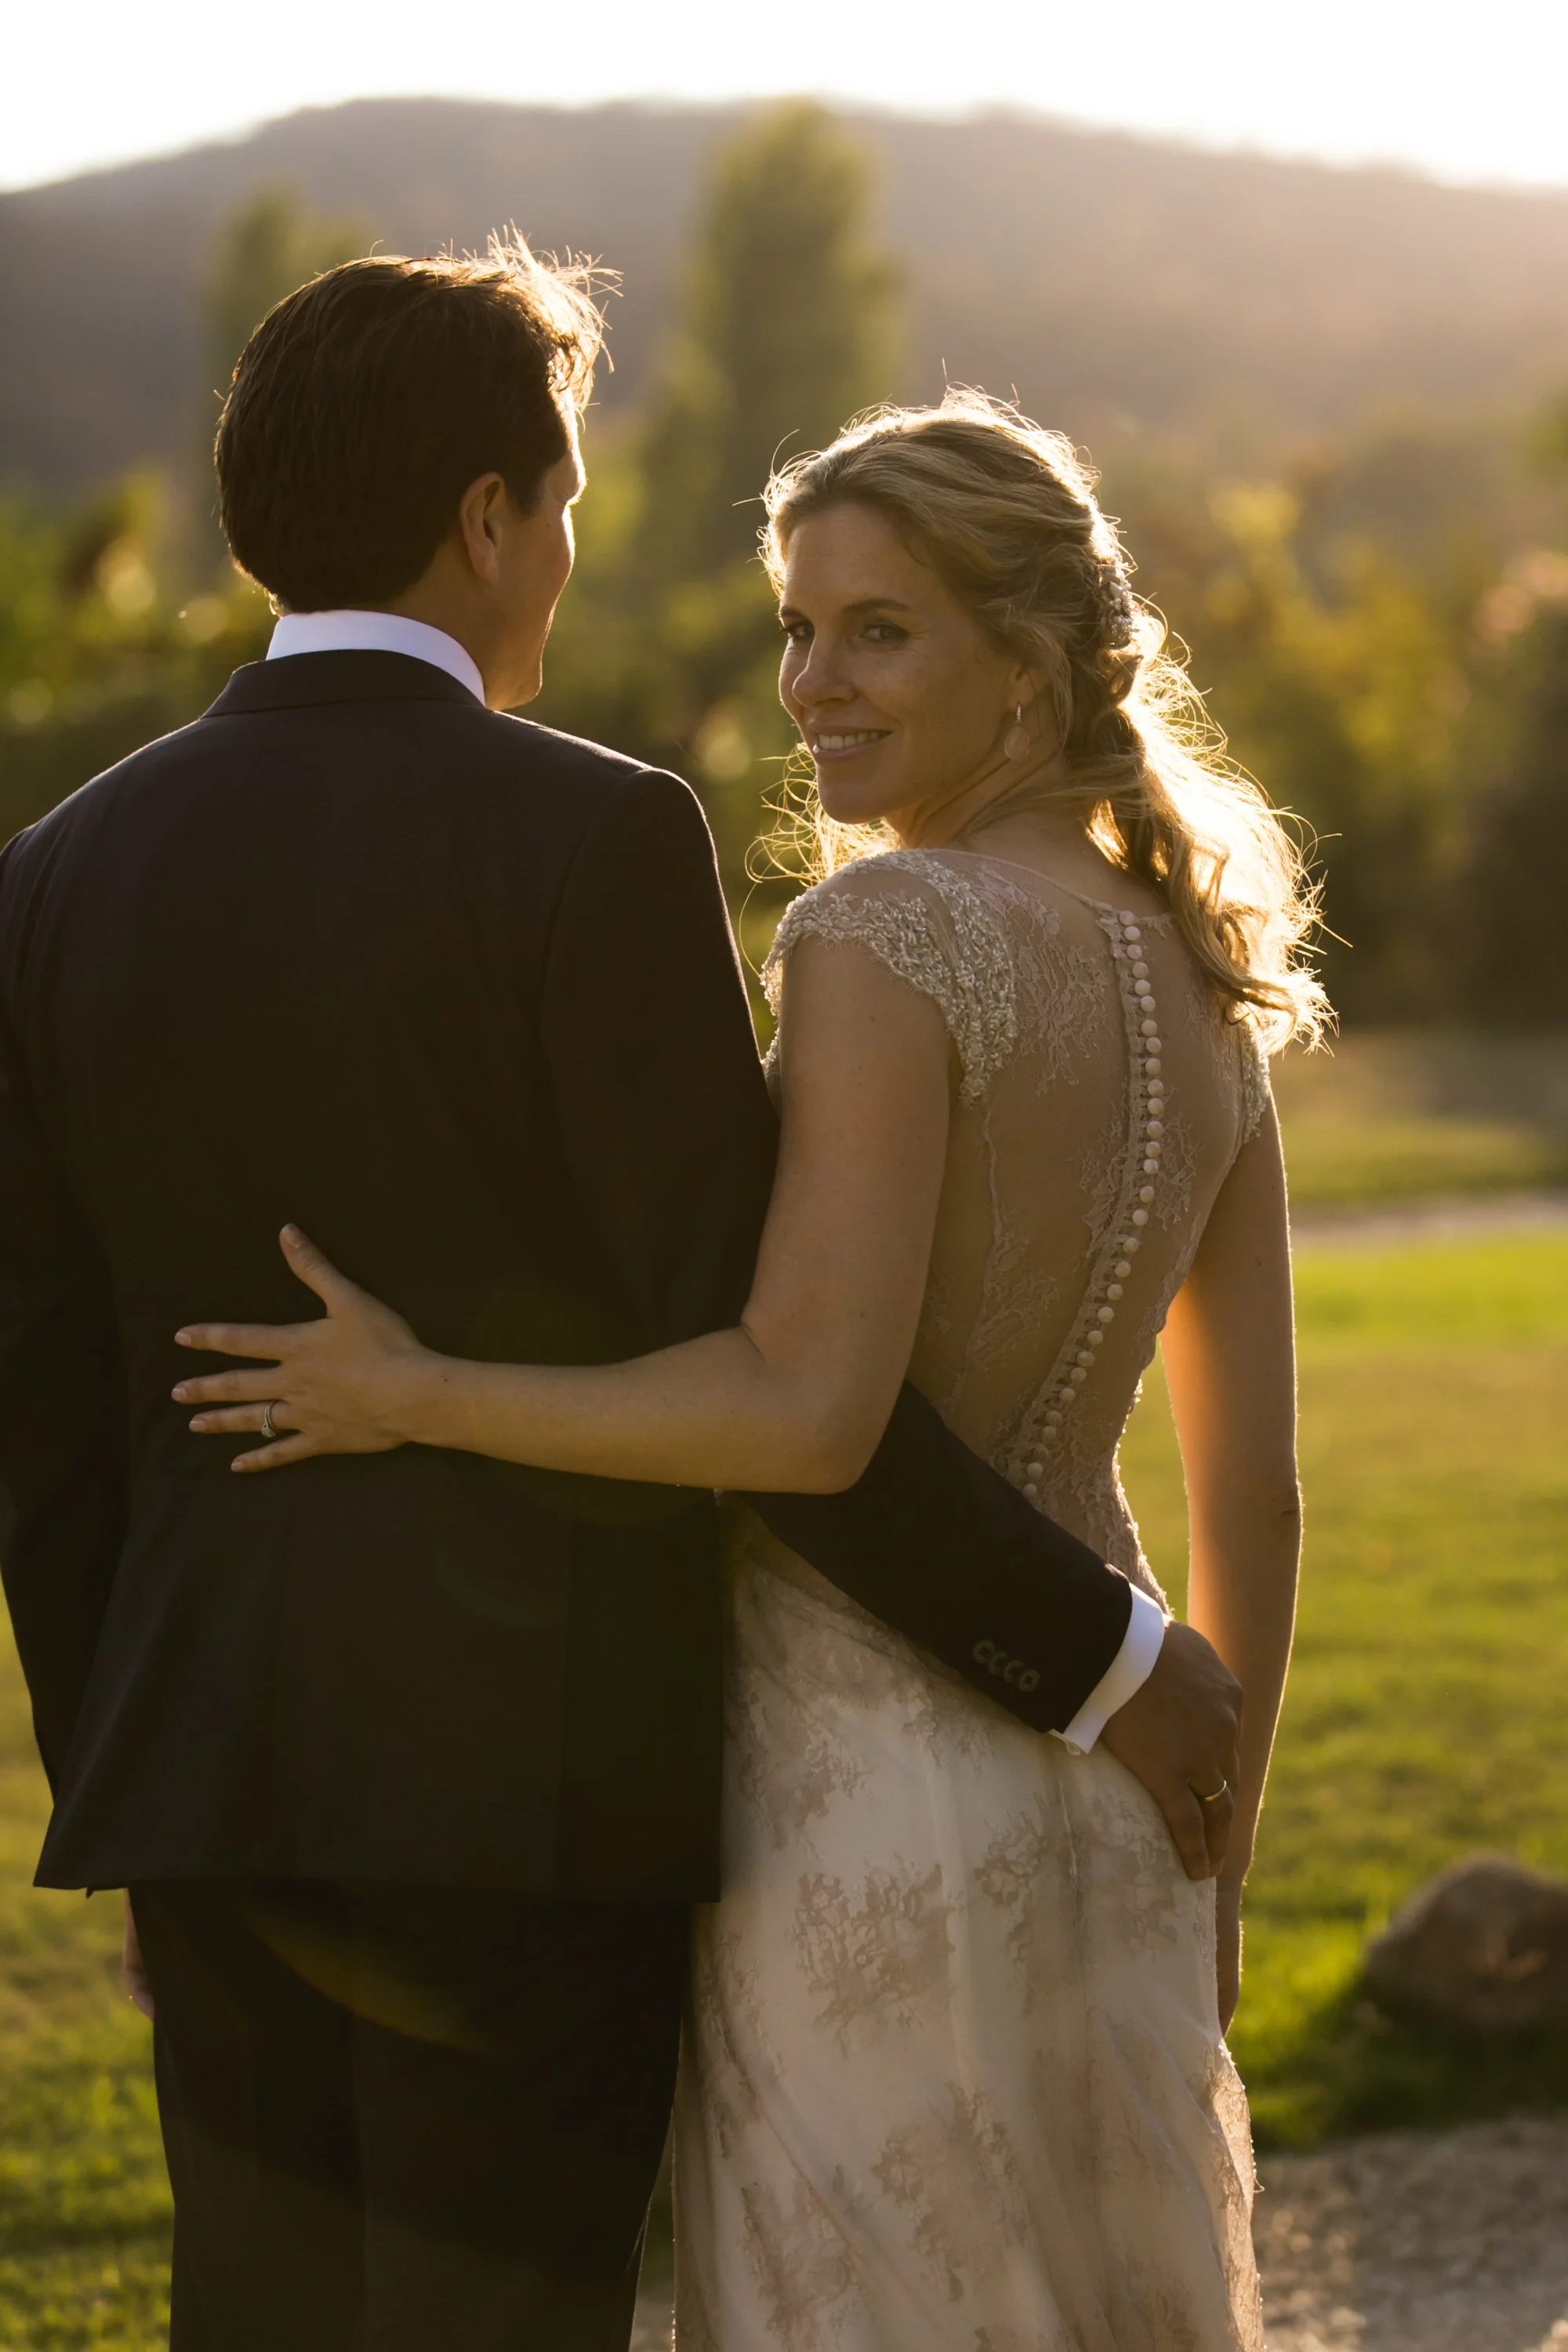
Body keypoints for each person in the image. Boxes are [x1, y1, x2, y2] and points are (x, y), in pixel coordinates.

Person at [0, 251, 1240, 2352]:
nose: (564, 557)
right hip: (537, 1793)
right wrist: (1108, 1657)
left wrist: (130, 1775)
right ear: (486, 518)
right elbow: (761, 1356)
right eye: (561, 506)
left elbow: (45, 1407)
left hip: (208, 1781)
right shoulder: (586, 836)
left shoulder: (58, 870)